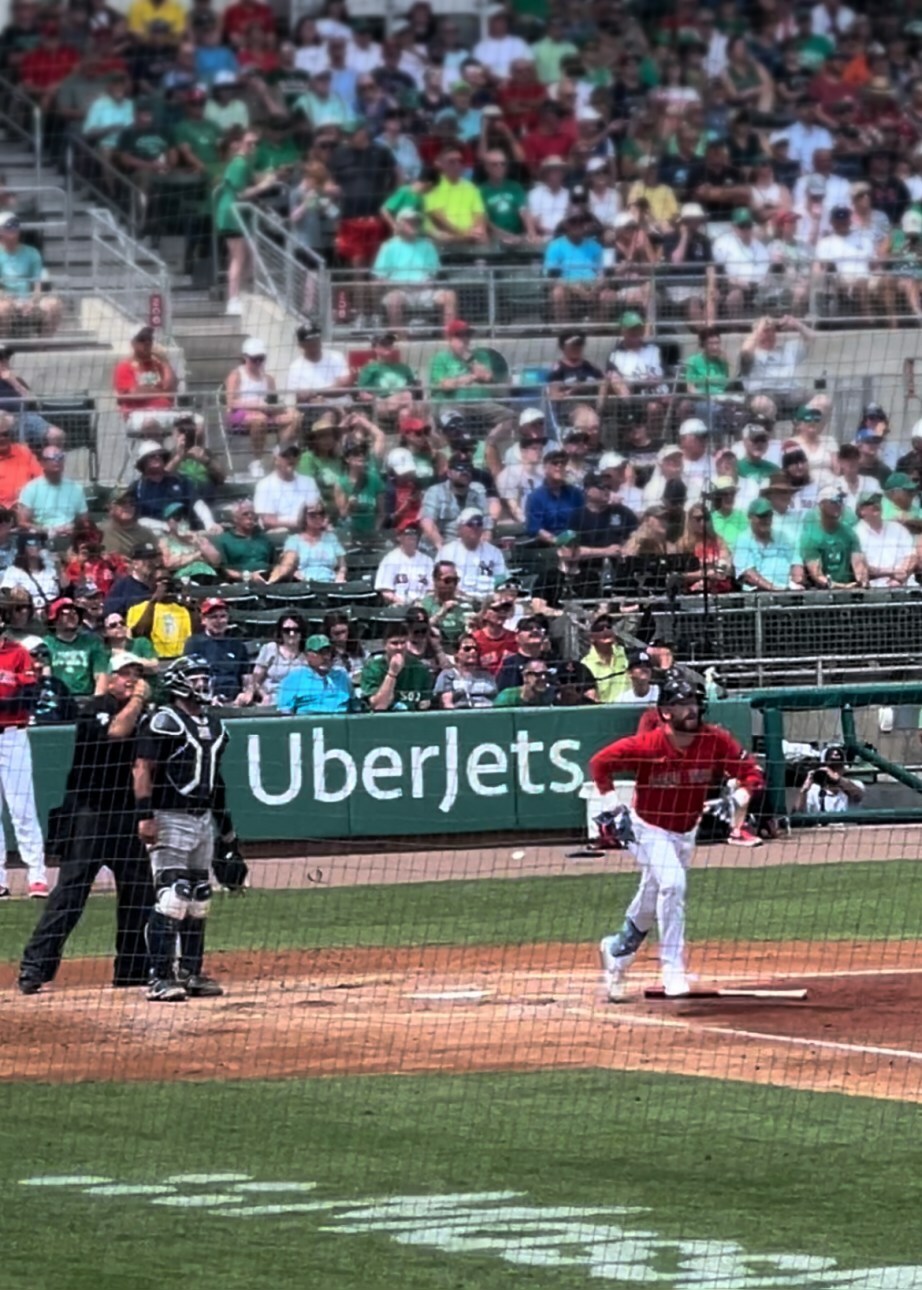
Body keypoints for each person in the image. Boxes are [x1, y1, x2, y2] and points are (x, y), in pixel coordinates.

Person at [593, 670, 765, 1002]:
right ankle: (672, 968)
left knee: (654, 890)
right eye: (683, 704)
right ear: (666, 712)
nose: (692, 710)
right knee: (672, 884)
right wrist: (615, 809)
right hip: (648, 827)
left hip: (686, 830)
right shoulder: (648, 744)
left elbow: (752, 772)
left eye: (695, 704)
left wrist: (739, 798)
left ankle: (617, 952)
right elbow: (599, 764)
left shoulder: (715, 740)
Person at [18, 653, 154, 993]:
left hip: (125, 815)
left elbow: (142, 764)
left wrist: (145, 813)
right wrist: (138, 699)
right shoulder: (95, 708)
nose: (131, 680)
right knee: (71, 894)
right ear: (108, 678)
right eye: (124, 674)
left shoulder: (145, 715)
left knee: (139, 892)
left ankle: (132, 970)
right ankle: (35, 968)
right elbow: (116, 732)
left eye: (136, 674)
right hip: (89, 814)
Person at [133, 655, 244, 1002]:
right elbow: (141, 768)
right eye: (195, 679)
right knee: (172, 896)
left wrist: (227, 833)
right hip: (169, 815)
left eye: (203, 678)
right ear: (179, 683)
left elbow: (217, 781)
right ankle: (159, 977)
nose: (202, 685)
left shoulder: (214, 725)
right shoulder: (164, 720)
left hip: (201, 819)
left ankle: (191, 972)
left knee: (199, 898)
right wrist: (145, 815)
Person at [0, 607, 47, 899]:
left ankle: (37, 876)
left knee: (22, 808)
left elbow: (30, 694)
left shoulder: (17, 652)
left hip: (12, 735)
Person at [225, 336, 301, 478]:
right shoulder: (236, 375)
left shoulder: (268, 378)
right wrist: (257, 404)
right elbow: (231, 402)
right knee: (259, 419)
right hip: (241, 415)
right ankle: (256, 461)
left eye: (261, 358)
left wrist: (275, 407)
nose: (258, 362)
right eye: (255, 359)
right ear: (245, 357)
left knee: (295, 416)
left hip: (266, 414)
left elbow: (272, 401)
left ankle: (279, 452)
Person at [0, 211, 61, 335]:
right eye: (8, 225)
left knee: (54, 305)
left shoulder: (32, 253)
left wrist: (32, 301)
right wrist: (13, 301)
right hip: (5, 299)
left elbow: (37, 285)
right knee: (3, 309)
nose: (13, 228)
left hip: (28, 299)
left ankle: (42, 349)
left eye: (15, 224)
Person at [801, 484, 869, 589]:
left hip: (850, 587)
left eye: (840, 501)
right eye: (833, 501)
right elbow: (817, 575)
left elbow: (858, 564)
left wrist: (861, 582)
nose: (838, 505)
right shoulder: (811, 536)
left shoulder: (849, 533)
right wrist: (842, 587)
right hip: (822, 592)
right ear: (821, 505)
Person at [183, 597, 250, 703]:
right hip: (206, 698)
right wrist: (206, 698)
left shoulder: (237, 645)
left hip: (235, 700)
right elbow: (191, 678)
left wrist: (246, 695)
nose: (219, 621)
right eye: (213, 617)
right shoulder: (194, 643)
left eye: (223, 616)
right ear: (204, 620)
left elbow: (246, 677)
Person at [361, 620, 434, 712]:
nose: (399, 647)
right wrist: (392, 673)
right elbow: (379, 706)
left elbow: (426, 703)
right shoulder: (372, 668)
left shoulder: (419, 668)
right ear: (385, 645)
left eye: (403, 642)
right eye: (394, 643)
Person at [733, 497, 804, 591]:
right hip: (757, 593)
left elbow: (796, 562)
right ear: (750, 517)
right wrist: (774, 589)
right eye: (762, 516)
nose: (766, 520)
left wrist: (797, 581)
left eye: (769, 515)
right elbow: (748, 574)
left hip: (788, 589)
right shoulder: (743, 540)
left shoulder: (783, 536)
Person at [43, 595, 109, 696]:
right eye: (65, 613)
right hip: (58, 700)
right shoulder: (46, 643)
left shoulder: (92, 642)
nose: (72, 615)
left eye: (74, 612)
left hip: (86, 699)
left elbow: (100, 675)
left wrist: (96, 701)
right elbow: (46, 675)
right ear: (54, 619)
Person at [266, 500, 346, 583]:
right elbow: (287, 564)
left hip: (329, 582)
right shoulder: (294, 540)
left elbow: (342, 566)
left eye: (321, 513)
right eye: (312, 514)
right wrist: (294, 574)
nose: (318, 517)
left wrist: (341, 576)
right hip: (303, 583)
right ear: (304, 517)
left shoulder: (331, 538)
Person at [17, 445, 89, 538]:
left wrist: (73, 527)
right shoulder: (31, 488)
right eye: (52, 458)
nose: (57, 461)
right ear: (42, 463)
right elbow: (22, 522)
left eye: (60, 458)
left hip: (70, 536)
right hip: (41, 536)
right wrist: (45, 530)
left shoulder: (76, 488)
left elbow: (84, 520)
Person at [436, 507, 507, 599]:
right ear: (460, 528)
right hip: (458, 601)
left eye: (479, 524)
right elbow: (439, 583)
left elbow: (502, 580)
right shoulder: (447, 552)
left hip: (489, 602)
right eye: (470, 524)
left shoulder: (494, 552)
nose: (475, 528)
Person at [276, 632, 354, 714]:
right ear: (308, 655)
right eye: (320, 652)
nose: (326, 657)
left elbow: (354, 705)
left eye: (328, 652)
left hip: (340, 722)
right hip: (307, 723)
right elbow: (285, 710)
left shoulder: (342, 676)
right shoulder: (295, 677)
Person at [853, 490, 916, 587]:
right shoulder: (855, 534)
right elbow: (862, 568)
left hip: (907, 584)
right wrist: (891, 572)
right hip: (875, 588)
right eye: (870, 503)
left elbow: (912, 556)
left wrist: (899, 579)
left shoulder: (898, 528)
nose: (876, 504)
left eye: (878, 501)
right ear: (861, 511)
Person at [253, 443, 321, 532]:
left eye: (294, 455)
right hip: (281, 533)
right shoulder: (264, 485)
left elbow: (317, 511)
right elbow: (268, 521)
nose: (291, 458)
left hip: (309, 530)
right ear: (275, 459)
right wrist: (299, 522)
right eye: (285, 455)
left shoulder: (309, 482)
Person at [126, 571, 193, 659]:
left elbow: (193, 635)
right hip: (154, 658)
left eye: (168, 584)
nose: (165, 588)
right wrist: (153, 602)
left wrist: (191, 606)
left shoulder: (182, 610)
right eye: (161, 583)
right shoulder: (137, 609)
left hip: (178, 658)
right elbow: (139, 633)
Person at [795, 744, 864, 815]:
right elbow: (797, 815)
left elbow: (858, 795)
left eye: (838, 766)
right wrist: (803, 791)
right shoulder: (814, 790)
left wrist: (837, 779)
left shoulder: (855, 785)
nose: (834, 771)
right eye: (831, 767)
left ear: (844, 769)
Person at [374, 523, 433, 605]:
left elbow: (432, 590)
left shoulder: (427, 561)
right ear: (399, 537)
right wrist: (401, 602)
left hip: (423, 605)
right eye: (408, 534)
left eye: (414, 533)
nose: (412, 537)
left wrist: (424, 603)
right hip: (397, 605)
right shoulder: (389, 560)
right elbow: (385, 591)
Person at [434, 633, 497, 709]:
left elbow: (495, 699)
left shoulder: (486, 676)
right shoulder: (447, 676)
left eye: (475, 648)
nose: (473, 651)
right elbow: (447, 704)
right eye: (467, 649)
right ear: (456, 653)